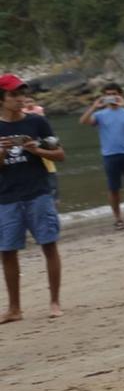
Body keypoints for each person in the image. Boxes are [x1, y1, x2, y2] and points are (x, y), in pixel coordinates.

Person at [1, 73, 63, 323]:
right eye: (13, 95)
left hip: (38, 192)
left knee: (49, 244)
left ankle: (55, 301)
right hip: (5, 197)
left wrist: (37, 150)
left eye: (21, 94)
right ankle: (14, 308)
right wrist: (3, 152)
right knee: (7, 251)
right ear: (2, 99)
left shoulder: (37, 122)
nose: (19, 99)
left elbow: (60, 154)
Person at [80, 85, 124, 229]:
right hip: (110, 155)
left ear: (120, 95)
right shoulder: (100, 114)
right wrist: (94, 106)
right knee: (113, 189)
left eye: (114, 94)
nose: (111, 97)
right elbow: (83, 121)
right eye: (108, 94)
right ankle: (118, 219)